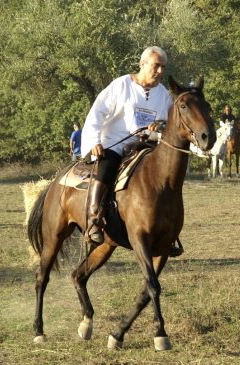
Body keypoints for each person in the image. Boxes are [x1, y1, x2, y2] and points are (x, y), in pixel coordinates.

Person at [81, 45, 182, 257]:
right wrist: (93, 143)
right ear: (142, 64)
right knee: (107, 167)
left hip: (146, 147)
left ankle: (168, 232)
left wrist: (159, 126)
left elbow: (167, 122)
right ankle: (94, 220)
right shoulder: (120, 86)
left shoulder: (163, 94)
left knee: (166, 177)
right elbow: (96, 113)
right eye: (156, 66)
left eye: (163, 67)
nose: (160, 71)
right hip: (116, 144)